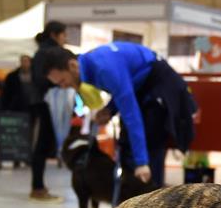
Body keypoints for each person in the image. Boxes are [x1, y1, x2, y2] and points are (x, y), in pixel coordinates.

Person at [42, 42, 197, 188]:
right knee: (126, 145)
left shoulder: (104, 68)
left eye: (62, 81)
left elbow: (132, 114)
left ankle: (152, 201)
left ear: (72, 65)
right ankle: (130, 203)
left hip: (161, 85)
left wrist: (142, 162)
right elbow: (125, 88)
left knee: (150, 145)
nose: (63, 87)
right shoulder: (90, 67)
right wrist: (110, 109)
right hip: (142, 87)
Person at [29, 21, 67, 202]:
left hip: (46, 102)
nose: (65, 38)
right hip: (44, 103)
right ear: (54, 34)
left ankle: (39, 186)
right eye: (63, 34)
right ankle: (37, 188)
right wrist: (57, 82)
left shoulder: (44, 51)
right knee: (41, 146)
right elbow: (39, 79)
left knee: (44, 145)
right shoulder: (46, 52)